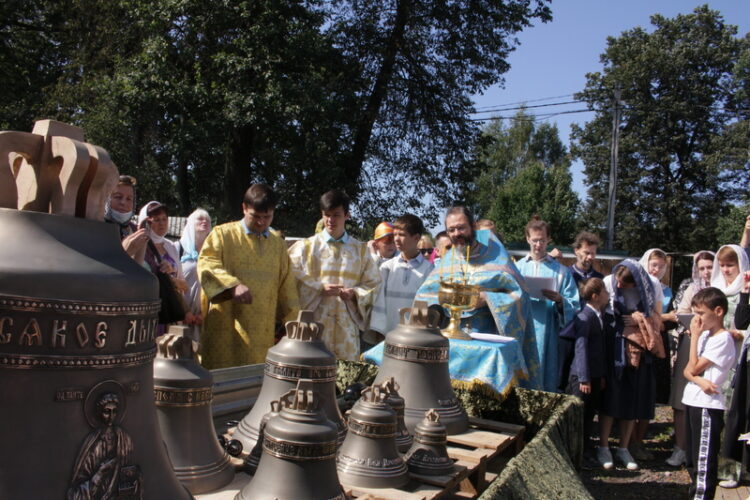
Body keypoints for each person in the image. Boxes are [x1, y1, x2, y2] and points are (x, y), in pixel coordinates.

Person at [414, 206, 541, 388]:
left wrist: (488, 298)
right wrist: (436, 305)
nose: (457, 233)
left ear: (473, 226)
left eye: (461, 227)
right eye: (451, 230)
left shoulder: (496, 255)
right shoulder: (449, 259)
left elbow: (520, 295)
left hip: (485, 338)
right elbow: (424, 294)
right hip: (451, 339)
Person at [197, 184, 300, 369]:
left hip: (262, 332)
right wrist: (232, 285)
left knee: (255, 384)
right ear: (244, 208)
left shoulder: (277, 245)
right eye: (255, 216)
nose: (261, 222)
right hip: (226, 327)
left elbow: (287, 286)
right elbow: (206, 264)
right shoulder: (222, 234)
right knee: (222, 384)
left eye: (267, 217)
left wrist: (292, 323)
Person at [288, 189, 380, 360]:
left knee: (344, 378)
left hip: (346, 326)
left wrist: (354, 294)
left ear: (347, 215)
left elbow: (373, 283)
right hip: (314, 324)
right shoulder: (306, 247)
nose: (330, 220)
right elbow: (290, 275)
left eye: (336, 215)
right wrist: (318, 288)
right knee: (312, 374)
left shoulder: (360, 250)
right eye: (326, 215)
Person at [598, 260, 665, 471]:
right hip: (615, 347)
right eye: (618, 281)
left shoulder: (650, 285)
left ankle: (624, 447)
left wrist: (640, 320)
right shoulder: (609, 281)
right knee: (611, 397)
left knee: (632, 397)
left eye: (625, 284)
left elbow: (658, 318)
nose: (619, 286)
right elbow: (602, 311)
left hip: (640, 349)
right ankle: (603, 446)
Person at [682, 287, 736, 500]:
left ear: (719, 311)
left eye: (701, 314)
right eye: (695, 313)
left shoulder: (722, 339)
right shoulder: (706, 336)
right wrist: (698, 381)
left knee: (704, 462)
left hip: (707, 404)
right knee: (693, 460)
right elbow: (688, 371)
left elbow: (693, 367)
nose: (697, 319)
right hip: (693, 399)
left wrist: (694, 338)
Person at [516, 216, 580, 392]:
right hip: (523, 330)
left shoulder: (561, 271)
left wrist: (560, 301)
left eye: (542, 240)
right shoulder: (517, 268)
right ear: (527, 239)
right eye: (535, 240)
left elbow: (574, 304)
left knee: (545, 377)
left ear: (549, 240)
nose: (538, 245)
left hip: (549, 333)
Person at [665, 251, 715, 467]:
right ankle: (681, 447)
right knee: (681, 397)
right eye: (702, 268)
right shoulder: (692, 288)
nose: (706, 271)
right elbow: (682, 313)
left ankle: (704, 451)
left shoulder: (722, 290)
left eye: (709, 267)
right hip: (691, 343)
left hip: (714, 345)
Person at [709, 244, 749, 488]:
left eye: (730, 265)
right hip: (717, 358)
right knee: (717, 413)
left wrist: (742, 334)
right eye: (722, 265)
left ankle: (733, 470)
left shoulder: (745, 290)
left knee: (735, 415)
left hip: (739, 358)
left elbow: (744, 323)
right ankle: (715, 465)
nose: (725, 270)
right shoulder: (716, 289)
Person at [369, 214, 434, 339]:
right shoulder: (387, 267)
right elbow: (380, 302)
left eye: (402, 235)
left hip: (414, 337)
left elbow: (426, 304)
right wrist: (379, 330)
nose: (396, 239)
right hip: (387, 334)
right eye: (395, 235)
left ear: (416, 238)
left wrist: (417, 335)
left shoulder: (428, 270)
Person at [567, 277, 610, 463]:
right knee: (579, 415)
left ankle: (585, 448)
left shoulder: (597, 316)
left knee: (589, 413)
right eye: (605, 292)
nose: (608, 295)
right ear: (595, 296)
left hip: (593, 374)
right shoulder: (584, 317)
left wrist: (598, 376)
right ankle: (575, 452)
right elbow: (581, 348)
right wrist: (584, 378)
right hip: (581, 376)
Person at [178, 208, 212, 342]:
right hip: (180, 317)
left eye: (208, 220)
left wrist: (205, 314)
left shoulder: (213, 253)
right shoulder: (177, 248)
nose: (204, 221)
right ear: (191, 223)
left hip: (202, 320)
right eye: (200, 218)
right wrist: (184, 311)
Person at [104, 175, 148, 264]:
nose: (123, 202)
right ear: (107, 198)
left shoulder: (135, 231)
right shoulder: (94, 228)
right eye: (118, 197)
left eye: (129, 199)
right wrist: (125, 253)